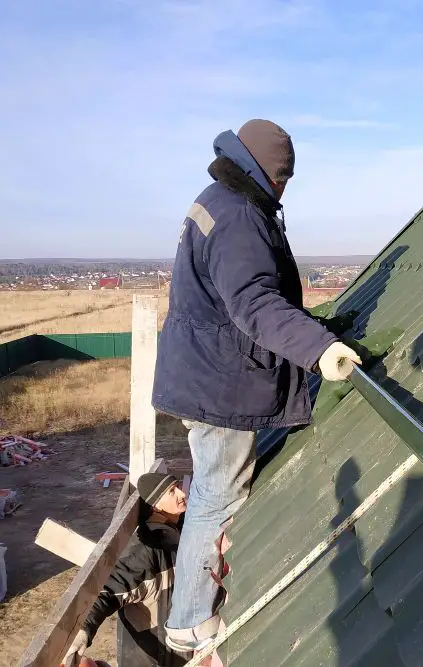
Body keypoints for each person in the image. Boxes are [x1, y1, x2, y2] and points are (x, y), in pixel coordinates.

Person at [151, 119, 361, 652]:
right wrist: (319, 350)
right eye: (285, 180)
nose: (285, 190)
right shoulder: (242, 215)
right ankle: (190, 622)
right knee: (216, 497)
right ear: (272, 174)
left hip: (203, 371)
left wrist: (316, 329)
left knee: (211, 489)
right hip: (222, 383)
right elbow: (253, 302)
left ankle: (190, 607)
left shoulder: (219, 196)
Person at [62, 473, 189, 667]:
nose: (182, 493)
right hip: (152, 656)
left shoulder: (174, 528)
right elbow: (108, 591)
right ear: (155, 505)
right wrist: (84, 629)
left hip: (175, 647)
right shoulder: (145, 550)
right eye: (172, 491)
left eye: (178, 486)